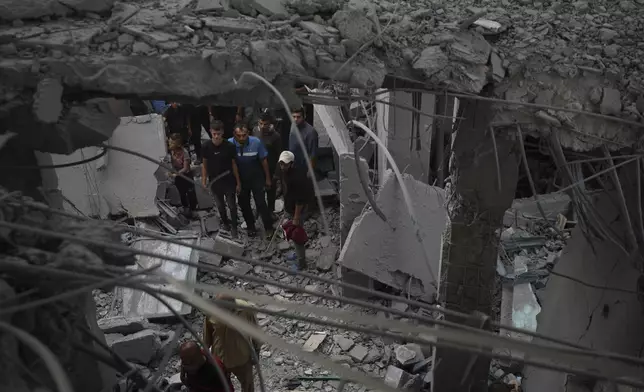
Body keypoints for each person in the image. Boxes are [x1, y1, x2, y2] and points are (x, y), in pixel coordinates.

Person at [204, 294, 261, 392]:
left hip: (241, 358)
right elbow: (207, 336)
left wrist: (256, 352)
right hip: (220, 358)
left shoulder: (245, 309)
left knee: (248, 385)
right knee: (220, 386)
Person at [229, 124, 273, 238]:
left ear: (248, 133)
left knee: (261, 203)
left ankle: (268, 227)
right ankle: (251, 227)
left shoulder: (256, 142)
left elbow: (264, 161)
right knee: (244, 204)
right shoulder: (229, 144)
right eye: (239, 136)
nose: (242, 138)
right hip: (240, 178)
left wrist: (268, 178)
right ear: (235, 135)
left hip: (255, 176)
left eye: (244, 135)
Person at [202, 120, 241, 238]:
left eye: (218, 134)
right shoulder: (206, 146)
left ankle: (234, 226)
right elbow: (204, 165)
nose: (216, 136)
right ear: (211, 132)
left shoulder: (230, 146)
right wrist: (203, 181)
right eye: (214, 134)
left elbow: (234, 164)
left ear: (222, 132)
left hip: (228, 180)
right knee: (220, 206)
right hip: (215, 181)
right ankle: (225, 223)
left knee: (232, 206)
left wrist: (238, 182)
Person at [276, 150, 313, 269]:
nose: (282, 166)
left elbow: (300, 200)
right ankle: (297, 255)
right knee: (292, 232)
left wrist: (296, 216)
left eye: (285, 164)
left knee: (297, 236)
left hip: (299, 209)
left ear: (292, 163)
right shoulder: (284, 172)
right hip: (291, 207)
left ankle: (301, 262)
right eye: (281, 163)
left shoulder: (298, 178)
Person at [252, 113, 282, 214]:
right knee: (258, 191)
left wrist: (277, 174)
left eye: (265, 124)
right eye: (260, 123)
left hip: (271, 167)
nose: (262, 126)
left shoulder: (276, 137)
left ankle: (270, 211)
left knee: (271, 193)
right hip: (258, 168)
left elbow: (280, 155)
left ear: (270, 124)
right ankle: (259, 209)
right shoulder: (255, 131)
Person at [168, 133, 198, 217]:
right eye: (169, 142)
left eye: (171, 143)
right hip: (178, 176)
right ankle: (185, 209)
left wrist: (175, 174)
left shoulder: (184, 153)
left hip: (186, 176)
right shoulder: (171, 152)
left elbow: (185, 168)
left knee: (190, 193)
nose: (169, 144)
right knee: (181, 193)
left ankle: (193, 210)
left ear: (177, 144)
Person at [288, 107, 319, 171]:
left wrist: (310, 171)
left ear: (304, 116)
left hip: (305, 168)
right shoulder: (293, 126)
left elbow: (313, 155)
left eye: (298, 117)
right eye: (293, 117)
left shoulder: (311, 132)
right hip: (293, 165)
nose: (295, 119)